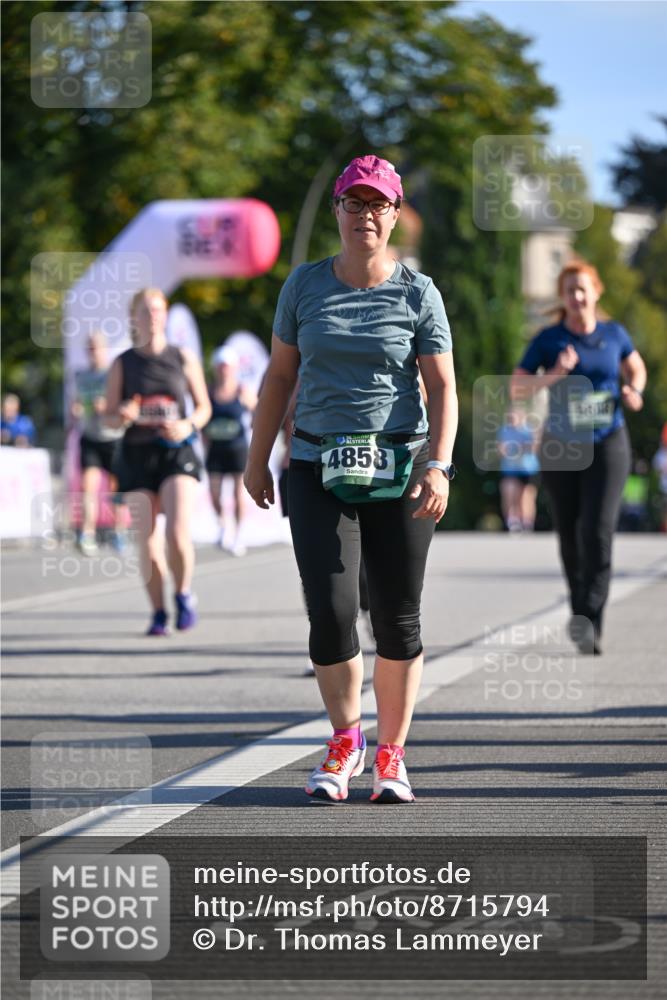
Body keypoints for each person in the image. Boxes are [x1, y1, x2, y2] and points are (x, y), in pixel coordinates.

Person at [245, 155, 458, 803]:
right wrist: (257, 459)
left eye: (377, 205)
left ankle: (391, 754)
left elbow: (442, 386)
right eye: (353, 203)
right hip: (314, 464)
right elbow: (279, 376)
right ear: (336, 211)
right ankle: (345, 740)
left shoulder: (418, 293)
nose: (365, 215)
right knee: (331, 610)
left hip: (400, 466)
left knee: (395, 617)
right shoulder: (304, 285)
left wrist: (440, 464)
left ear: (394, 215)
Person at [511, 259, 647, 654]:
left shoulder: (614, 334)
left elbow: (635, 370)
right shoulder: (549, 339)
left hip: (608, 441)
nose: (577, 296)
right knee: (570, 535)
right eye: (569, 290)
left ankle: (590, 616)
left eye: (583, 289)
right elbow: (518, 389)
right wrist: (555, 372)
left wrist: (633, 391)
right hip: (561, 445)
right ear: (563, 297)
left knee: (598, 531)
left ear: (596, 291)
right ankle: (580, 611)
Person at [106, 288, 212, 635]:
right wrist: (123, 414)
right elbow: (108, 418)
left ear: (164, 315)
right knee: (148, 543)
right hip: (137, 455)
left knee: (177, 532)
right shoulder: (122, 363)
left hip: (176, 451)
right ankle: (157, 612)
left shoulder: (182, 357)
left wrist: (187, 424)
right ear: (133, 318)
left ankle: (182, 594)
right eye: (145, 310)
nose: (152, 315)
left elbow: (203, 408)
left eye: (158, 309)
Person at [71, 332, 127, 555]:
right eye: (90, 348)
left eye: (97, 347)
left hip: (113, 438)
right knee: (88, 487)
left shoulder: (113, 374)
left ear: (105, 349)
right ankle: (87, 534)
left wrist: (106, 407)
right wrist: (75, 411)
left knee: (116, 490)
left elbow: (125, 406)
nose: (94, 352)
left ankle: (118, 532)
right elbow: (75, 404)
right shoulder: (81, 376)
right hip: (91, 438)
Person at [204, 344, 256, 556]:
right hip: (216, 449)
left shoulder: (242, 391)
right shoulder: (209, 391)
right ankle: (223, 525)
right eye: (221, 366)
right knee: (214, 494)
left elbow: (260, 412)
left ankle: (238, 534)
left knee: (238, 493)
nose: (224, 370)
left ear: (233, 368)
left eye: (227, 366)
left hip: (237, 448)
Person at [497, 407, 540, 532]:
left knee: (527, 496)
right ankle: (512, 521)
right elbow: (501, 449)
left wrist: (519, 448)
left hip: (528, 469)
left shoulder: (528, 431)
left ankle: (527, 522)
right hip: (510, 469)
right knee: (509, 492)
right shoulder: (504, 430)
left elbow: (533, 448)